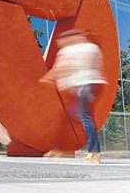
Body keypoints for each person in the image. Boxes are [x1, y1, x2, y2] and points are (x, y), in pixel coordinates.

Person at [42, 29, 106, 164]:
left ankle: (94, 153)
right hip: (92, 85)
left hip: (83, 86)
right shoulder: (92, 48)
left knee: (85, 118)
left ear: (70, 38)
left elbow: (62, 68)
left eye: (62, 40)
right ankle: (59, 149)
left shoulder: (69, 51)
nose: (61, 43)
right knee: (68, 117)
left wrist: (46, 79)